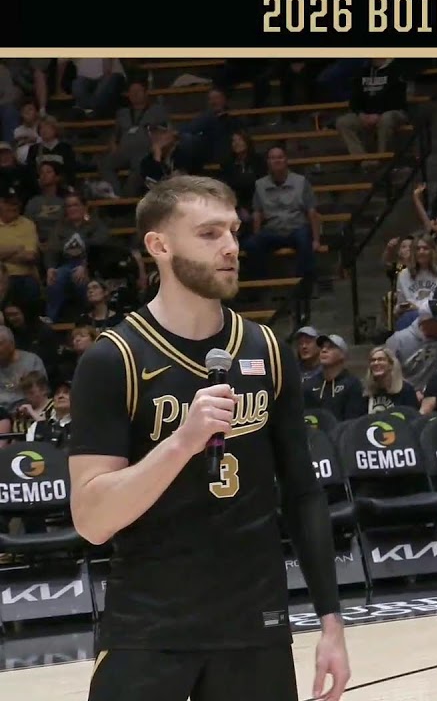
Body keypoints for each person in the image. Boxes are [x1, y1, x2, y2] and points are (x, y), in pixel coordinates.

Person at [68, 175, 351, 701]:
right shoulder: (113, 359)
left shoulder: (267, 350)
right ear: (159, 245)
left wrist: (330, 621)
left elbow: (302, 493)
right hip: (148, 629)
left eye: (233, 231)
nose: (230, 247)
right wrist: (182, 442)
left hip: (255, 626)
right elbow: (92, 520)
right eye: (209, 233)